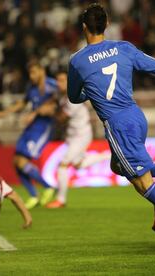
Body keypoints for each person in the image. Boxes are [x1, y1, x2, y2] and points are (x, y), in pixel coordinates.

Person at [67, 3, 155, 255]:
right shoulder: (123, 48)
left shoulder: (78, 61)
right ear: (107, 24)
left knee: (144, 185)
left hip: (117, 125)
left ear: (84, 27)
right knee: (117, 166)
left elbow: (73, 97)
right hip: (135, 116)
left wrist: (90, 89)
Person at [0, 61, 57, 209]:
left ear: (42, 70)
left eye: (34, 72)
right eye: (30, 73)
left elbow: (57, 102)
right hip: (31, 127)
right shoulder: (31, 87)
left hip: (43, 127)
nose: (31, 76)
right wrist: (3, 113)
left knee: (21, 161)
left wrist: (36, 113)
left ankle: (48, 187)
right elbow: (22, 103)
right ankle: (34, 196)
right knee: (16, 161)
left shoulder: (52, 86)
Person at [46, 71, 111, 208]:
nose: (59, 83)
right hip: (73, 136)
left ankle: (60, 200)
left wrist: (49, 112)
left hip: (81, 135)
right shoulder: (62, 96)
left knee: (63, 165)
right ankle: (108, 155)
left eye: (63, 80)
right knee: (78, 164)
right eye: (58, 80)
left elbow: (62, 118)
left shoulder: (72, 97)